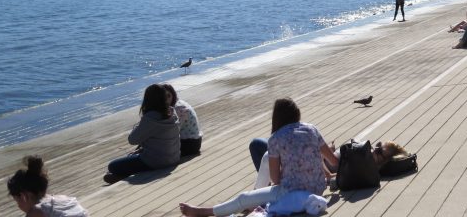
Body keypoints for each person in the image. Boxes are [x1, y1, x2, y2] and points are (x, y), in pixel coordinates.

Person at [180, 98, 338, 216]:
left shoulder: (276, 138)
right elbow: (334, 161)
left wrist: (290, 169)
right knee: (266, 158)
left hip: (292, 192)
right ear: (297, 114)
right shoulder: (312, 129)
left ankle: (202, 212)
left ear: (277, 118)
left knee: (243, 198)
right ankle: (254, 199)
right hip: (317, 189)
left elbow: (275, 180)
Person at [104, 84, 180, 184]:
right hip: (174, 158)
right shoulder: (172, 112)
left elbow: (132, 140)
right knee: (132, 157)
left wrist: (140, 124)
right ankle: (122, 175)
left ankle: (120, 176)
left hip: (156, 161)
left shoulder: (151, 117)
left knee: (112, 166)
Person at [8, 155, 88, 217]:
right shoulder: (63, 199)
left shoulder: (36, 212)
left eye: (17, 201)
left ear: (23, 196)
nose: (18, 206)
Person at [162, 83, 202, 156]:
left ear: (173, 95)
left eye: (168, 96)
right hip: (193, 141)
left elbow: (173, 132)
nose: (166, 99)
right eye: (163, 97)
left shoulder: (178, 108)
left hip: (190, 143)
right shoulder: (178, 103)